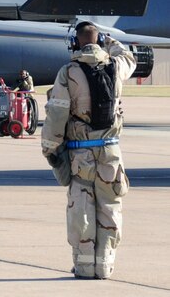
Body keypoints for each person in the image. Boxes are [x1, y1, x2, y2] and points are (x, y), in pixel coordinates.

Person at [41, 21, 136, 280]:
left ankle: (84, 267)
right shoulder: (116, 67)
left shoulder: (69, 72)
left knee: (81, 208)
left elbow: (57, 112)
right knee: (110, 206)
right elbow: (128, 56)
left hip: (81, 155)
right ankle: (104, 266)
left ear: (76, 43)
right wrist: (110, 42)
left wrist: (49, 147)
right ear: (99, 40)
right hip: (111, 153)